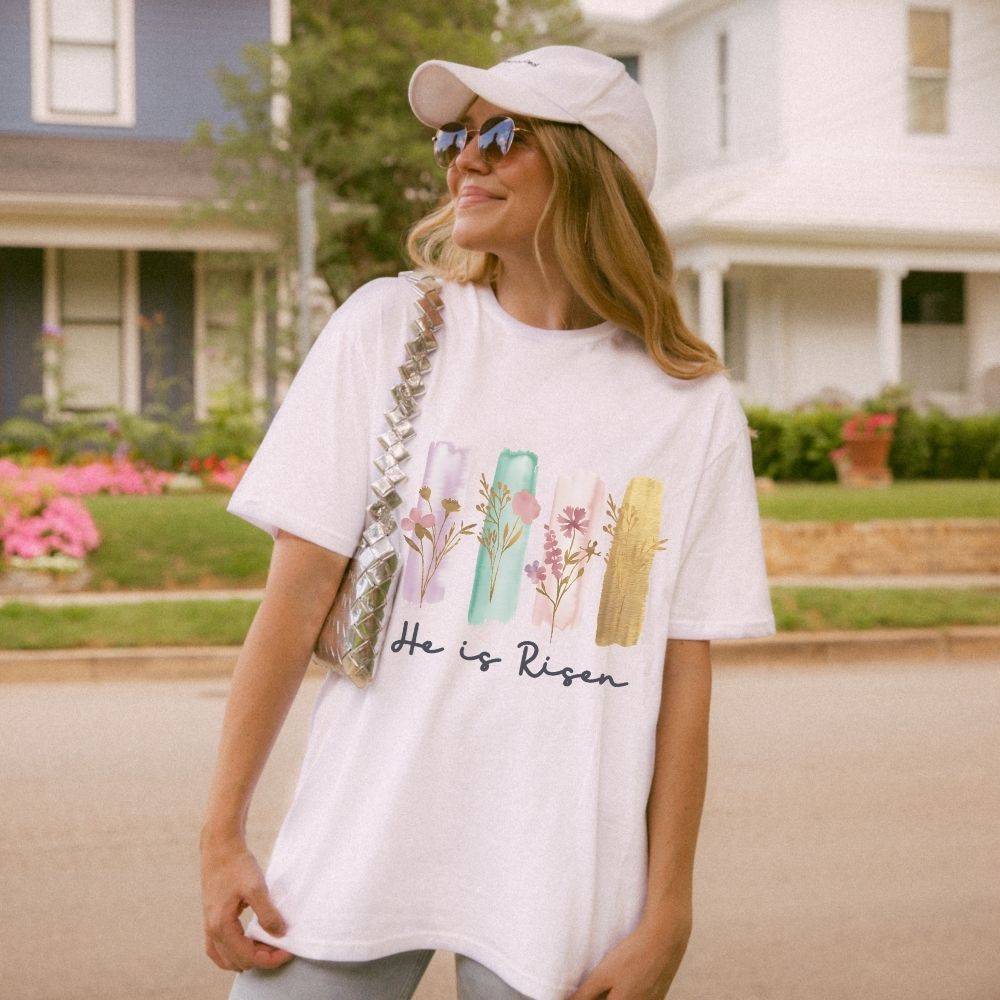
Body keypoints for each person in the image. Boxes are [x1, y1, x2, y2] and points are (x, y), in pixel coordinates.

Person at [200, 45, 774, 1000]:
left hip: (557, 884)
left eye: (501, 136)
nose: (465, 159)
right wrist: (221, 832)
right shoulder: (388, 330)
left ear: (594, 171)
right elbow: (294, 598)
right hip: (357, 843)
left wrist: (669, 909)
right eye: (454, 140)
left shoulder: (687, 405)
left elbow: (680, 675)